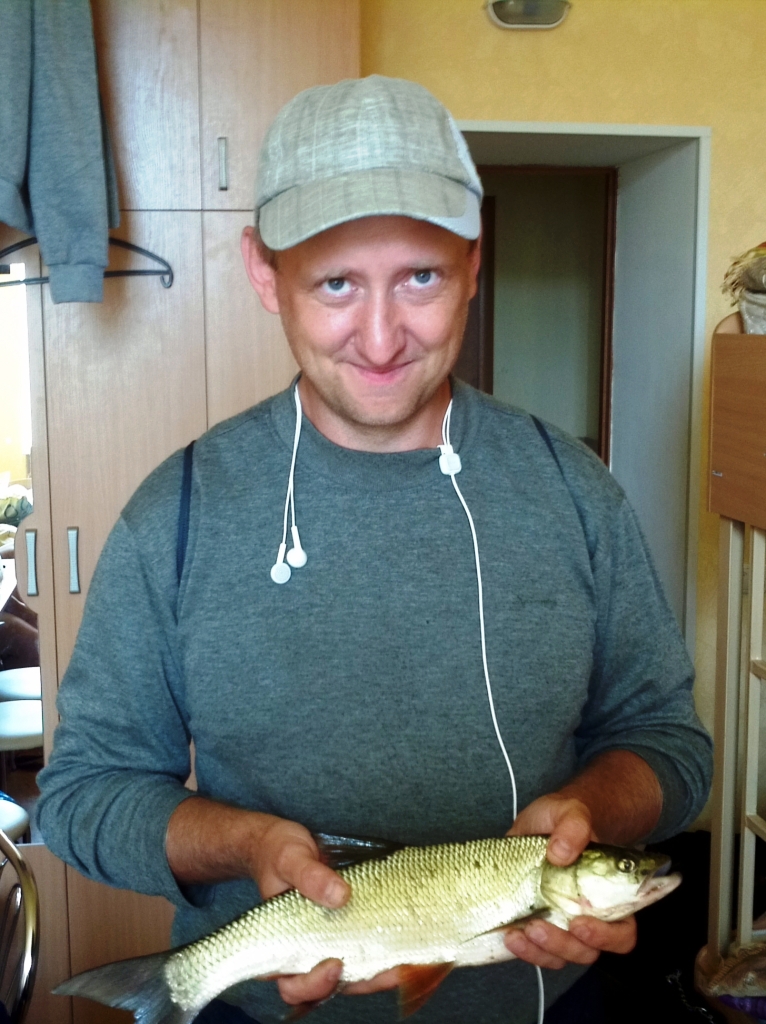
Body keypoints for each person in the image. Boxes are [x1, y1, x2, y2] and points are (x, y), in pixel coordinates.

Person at [37, 75, 712, 1024]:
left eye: (421, 277)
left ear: (473, 264)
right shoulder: (176, 514)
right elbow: (81, 795)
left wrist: (593, 814)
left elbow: (668, 742)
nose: (384, 338)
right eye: (337, 284)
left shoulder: (574, 490)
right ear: (264, 274)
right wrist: (247, 845)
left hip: (544, 1007)